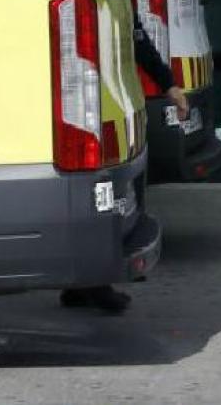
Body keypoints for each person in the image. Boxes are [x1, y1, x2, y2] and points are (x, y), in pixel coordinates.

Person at [59, 16, 188, 313]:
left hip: (109, 105)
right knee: (101, 199)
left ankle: (85, 283)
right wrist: (168, 83)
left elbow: (137, 40)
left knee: (112, 198)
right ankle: (93, 283)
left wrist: (168, 83)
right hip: (89, 107)